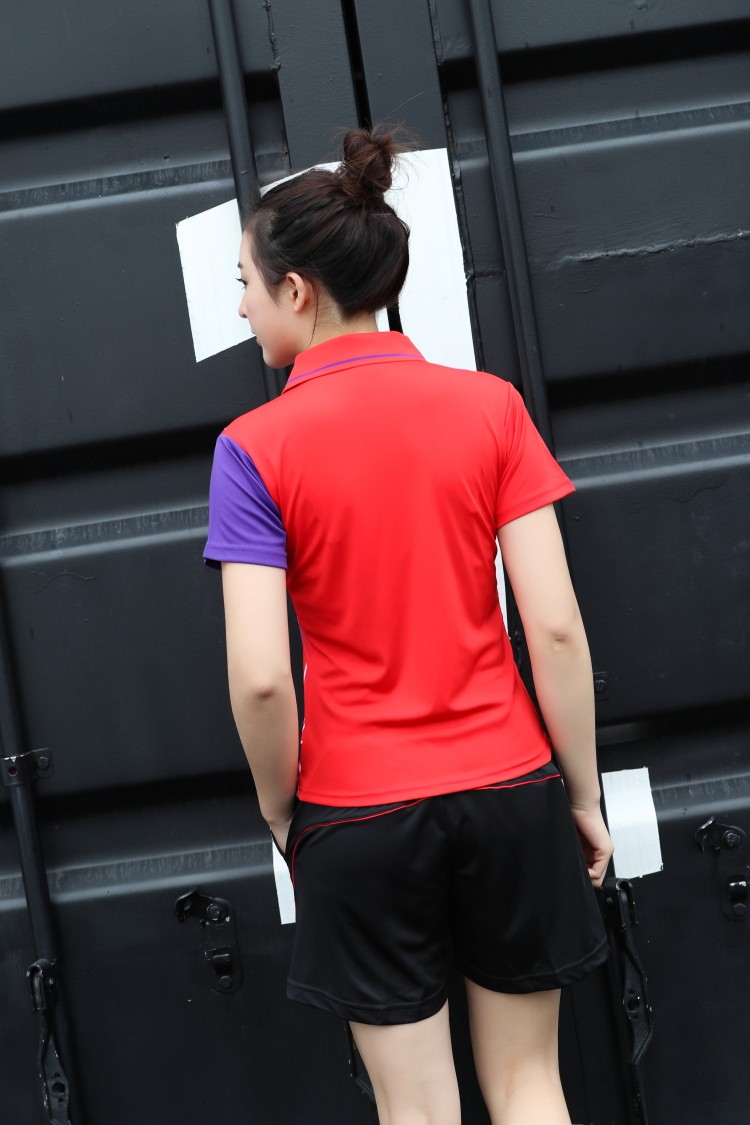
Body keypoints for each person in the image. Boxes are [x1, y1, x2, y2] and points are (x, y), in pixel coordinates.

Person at [204, 126, 613, 1125]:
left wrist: (283, 813)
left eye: (246, 284)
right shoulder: (490, 408)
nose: (241, 304)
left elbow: (261, 677)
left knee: (418, 1112)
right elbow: (556, 626)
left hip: (358, 809)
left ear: (296, 290)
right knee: (531, 1086)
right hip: (509, 788)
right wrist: (581, 792)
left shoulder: (252, 448)